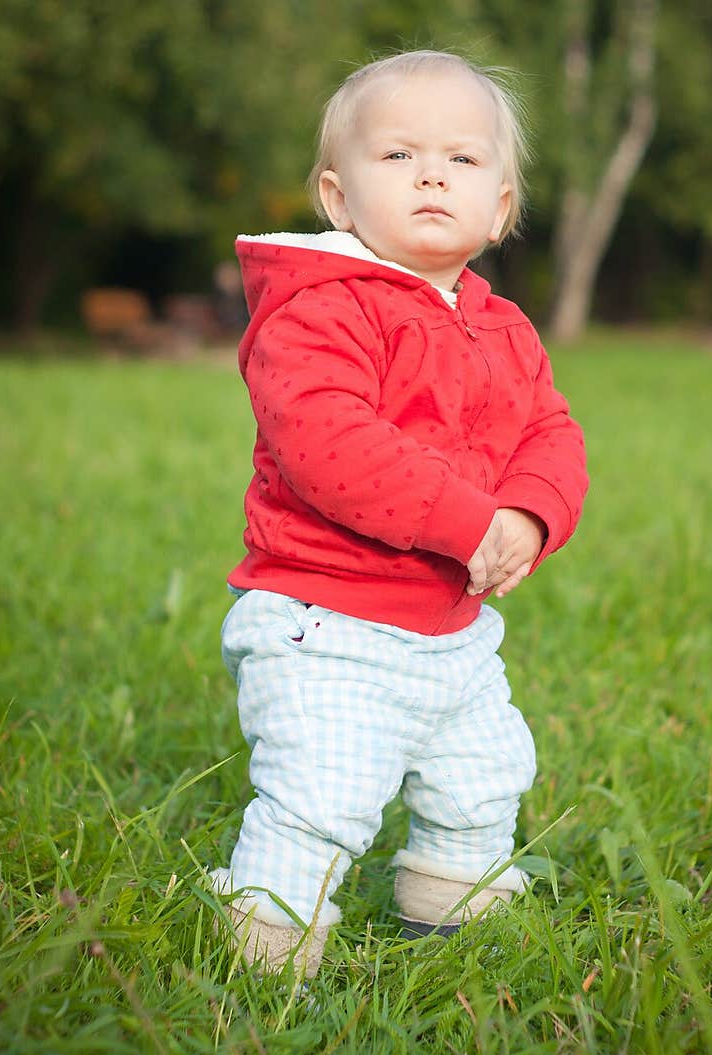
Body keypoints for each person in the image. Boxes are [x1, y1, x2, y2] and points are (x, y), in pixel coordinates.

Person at [209, 49, 589, 979]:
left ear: (499, 209)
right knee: (325, 793)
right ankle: (266, 954)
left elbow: (551, 431)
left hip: (452, 629)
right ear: (339, 199)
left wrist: (531, 517)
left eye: (462, 160)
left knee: (483, 779)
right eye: (398, 156)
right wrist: (469, 522)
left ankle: (452, 925)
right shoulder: (319, 311)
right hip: (326, 621)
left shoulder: (503, 327)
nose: (430, 173)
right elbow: (331, 444)